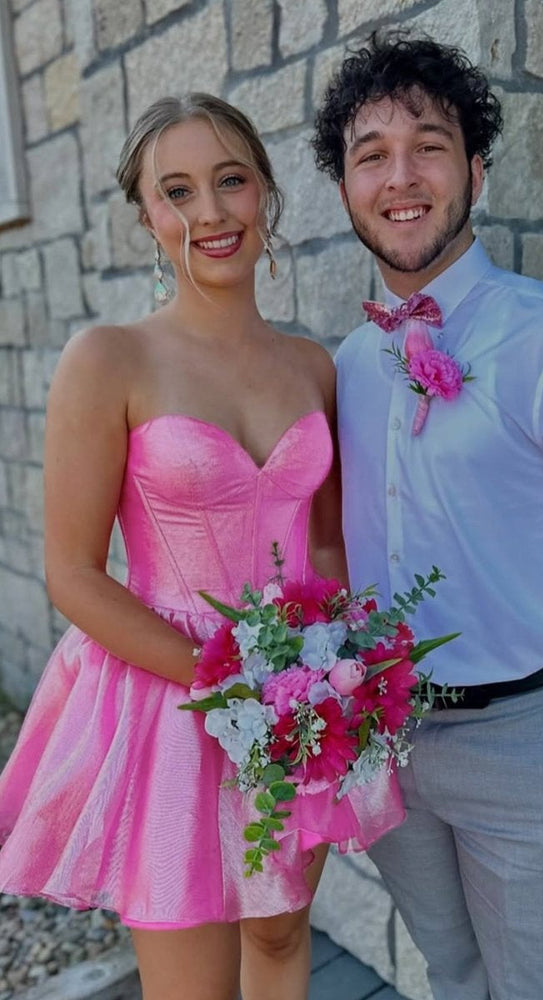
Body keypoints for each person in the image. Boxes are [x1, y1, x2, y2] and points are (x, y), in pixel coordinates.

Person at [0, 93, 404, 1000]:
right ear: (146, 215)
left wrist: (343, 671)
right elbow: (71, 574)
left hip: (301, 688)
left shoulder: (311, 366)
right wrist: (225, 679)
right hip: (171, 700)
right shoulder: (109, 360)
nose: (210, 213)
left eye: (230, 180)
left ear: (265, 190)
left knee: (278, 934)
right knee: (191, 984)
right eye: (176, 191)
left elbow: (329, 544)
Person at [312, 31, 543, 1000]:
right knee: (451, 971)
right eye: (369, 155)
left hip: (528, 740)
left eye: (428, 144)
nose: (401, 176)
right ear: (344, 187)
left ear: (474, 167)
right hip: (386, 739)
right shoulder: (341, 367)